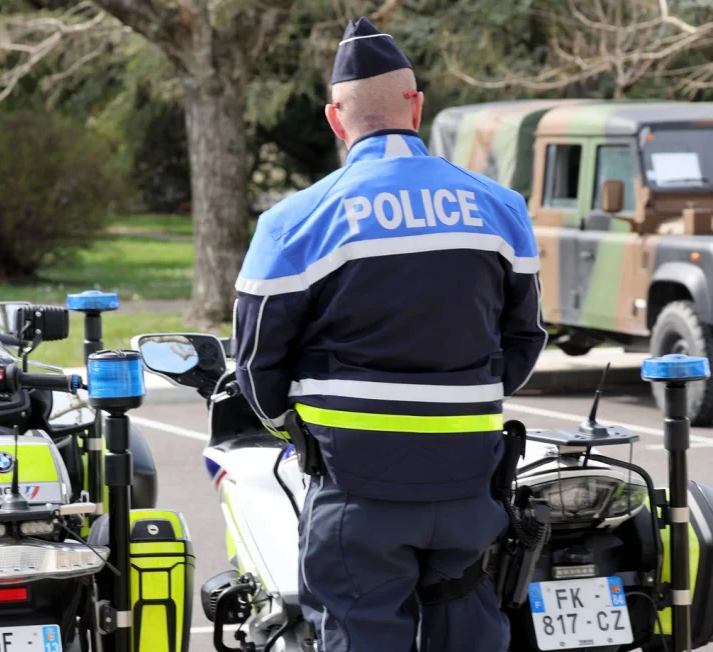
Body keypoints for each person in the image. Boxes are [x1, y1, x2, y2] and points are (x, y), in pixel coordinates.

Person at [232, 16, 548, 652]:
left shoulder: (295, 221)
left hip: (356, 486)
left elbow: (256, 365)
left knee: (359, 634)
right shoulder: (500, 208)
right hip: (469, 482)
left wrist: (294, 428)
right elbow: (525, 338)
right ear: (418, 106)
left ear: (334, 117)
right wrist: (468, 399)